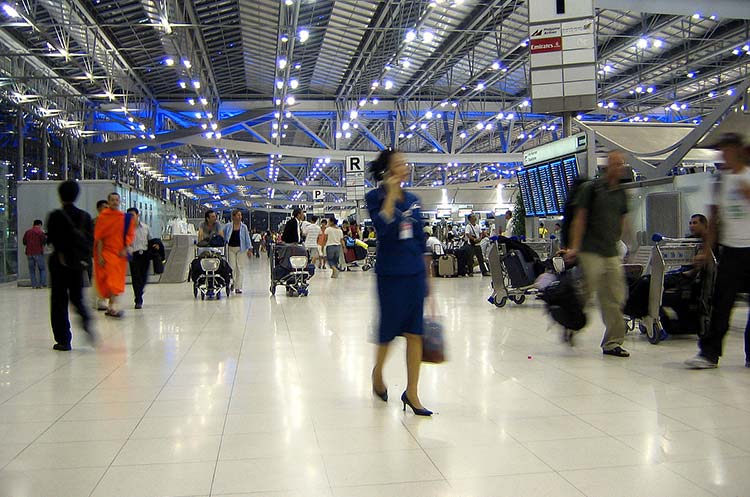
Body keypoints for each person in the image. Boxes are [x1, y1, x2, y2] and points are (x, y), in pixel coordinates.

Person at [366, 148, 432, 416]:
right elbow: (382, 229)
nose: (405, 165)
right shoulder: (375, 197)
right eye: (399, 163)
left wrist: (429, 275)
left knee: (415, 333)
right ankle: (378, 374)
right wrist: (391, 197)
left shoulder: (414, 199)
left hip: (414, 272)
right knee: (388, 332)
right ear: (388, 170)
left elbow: (420, 239)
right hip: (390, 275)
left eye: (405, 162)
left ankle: (412, 392)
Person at [685, 133, 750, 369]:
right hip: (731, 250)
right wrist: (706, 250)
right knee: (722, 303)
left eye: (728, 151)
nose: (725, 156)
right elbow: (713, 220)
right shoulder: (720, 181)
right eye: (722, 151)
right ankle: (709, 354)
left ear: (738, 151)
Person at [565, 150, 630, 357]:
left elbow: (621, 222)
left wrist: (625, 245)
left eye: (621, 164)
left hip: (610, 252)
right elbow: (580, 219)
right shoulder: (591, 189)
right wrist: (574, 247)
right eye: (615, 164)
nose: (618, 168)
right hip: (590, 250)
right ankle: (571, 322)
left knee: (614, 297)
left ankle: (613, 342)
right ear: (607, 166)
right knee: (585, 293)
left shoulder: (621, 194)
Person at [46, 180, 95, 350]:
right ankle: (86, 320)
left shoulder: (55, 216)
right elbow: (90, 241)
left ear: (60, 196)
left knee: (58, 301)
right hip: (77, 264)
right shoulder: (85, 217)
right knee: (77, 297)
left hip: (59, 263)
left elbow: (50, 239)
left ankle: (63, 340)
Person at [94, 192, 135, 318]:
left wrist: (126, 247)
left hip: (119, 254)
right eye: (112, 200)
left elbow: (129, 234)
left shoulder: (124, 218)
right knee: (111, 280)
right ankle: (113, 307)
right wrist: (100, 256)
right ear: (108, 202)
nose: (115, 202)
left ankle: (111, 306)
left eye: (117, 200)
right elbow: (99, 238)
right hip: (107, 252)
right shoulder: (103, 217)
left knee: (116, 280)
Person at [126, 207, 155, 309]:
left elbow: (150, 240)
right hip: (134, 255)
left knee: (144, 276)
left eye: (133, 215)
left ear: (138, 215)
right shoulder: (126, 230)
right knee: (136, 277)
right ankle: (138, 300)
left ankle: (140, 290)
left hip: (145, 254)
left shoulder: (145, 228)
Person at [221, 209, 252, 294]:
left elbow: (247, 238)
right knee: (232, 267)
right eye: (238, 215)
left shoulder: (244, 227)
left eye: (240, 215)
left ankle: (238, 287)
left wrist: (249, 249)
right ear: (233, 216)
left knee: (240, 268)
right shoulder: (228, 226)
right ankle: (233, 283)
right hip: (230, 248)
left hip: (241, 249)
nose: (240, 217)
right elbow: (222, 234)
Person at [22, 219, 47, 288]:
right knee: (42, 269)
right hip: (38, 252)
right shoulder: (40, 232)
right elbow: (44, 242)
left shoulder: (28, 232)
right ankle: (41, 284)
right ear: (39, 225)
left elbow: (24, 242)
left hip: (29, 253)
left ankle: (34, 285)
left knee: (32, 270)